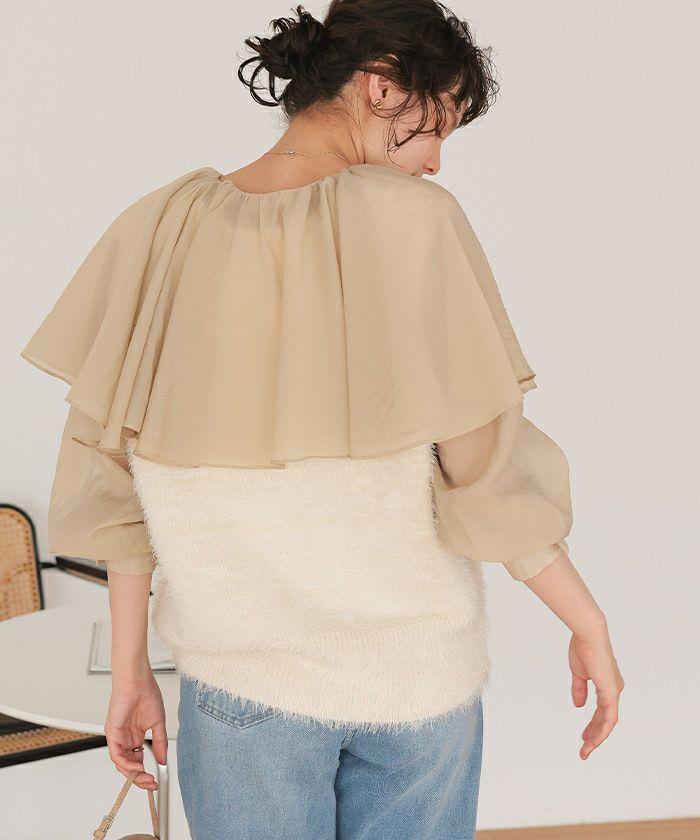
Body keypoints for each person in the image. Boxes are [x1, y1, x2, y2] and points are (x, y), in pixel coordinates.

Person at [19, 1, 624, 838]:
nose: (437, 161)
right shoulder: (414, 222)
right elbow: (482, 467)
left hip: (243, 688)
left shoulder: (161, 227)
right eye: (440, 124)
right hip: (417, 682)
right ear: (382, 86)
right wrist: (586, 620)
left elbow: (111, 479)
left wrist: (130, 672)